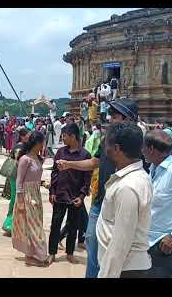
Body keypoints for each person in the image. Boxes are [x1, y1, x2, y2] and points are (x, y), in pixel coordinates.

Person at [56, 98, 140, 278]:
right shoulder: (107, 139)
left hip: (123, 204)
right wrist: (70, 164)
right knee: (92, 242)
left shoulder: (138, 144)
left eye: (115, 116)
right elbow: (95, 162)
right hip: (100, 202)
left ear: (128, 119)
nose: (110, 119)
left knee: (120, 251)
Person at [96, 122, 153, 278]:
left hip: (124, 269)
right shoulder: (132, 178)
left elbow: (121, 242)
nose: (104, 148)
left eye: (105, 143)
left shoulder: (128, 187)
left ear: (116, 149)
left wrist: (106, 275)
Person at [143, 130, 172, 278]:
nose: (142, 151)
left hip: (166, 246)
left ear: (151, 149)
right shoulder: (153, 169)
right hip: (149, 243)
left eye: (144, 148)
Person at [48, 123, 92, 265]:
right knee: (55, 224)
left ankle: (70, 253)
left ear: (73, 136)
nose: (63, 138)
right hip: (60, 194)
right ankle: (52, 253)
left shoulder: (85, 155)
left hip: (75, 197)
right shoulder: (60, 152)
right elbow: (54, 173)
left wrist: (81, 196)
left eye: (64, 136)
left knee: (73, 226)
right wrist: (52, 191)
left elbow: (87, 179)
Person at [12, 131, 50, 267]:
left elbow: (34, 178)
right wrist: (21, 199)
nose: (43, 145)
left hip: (36, 194)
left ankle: (31, 255)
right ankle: (40, 256)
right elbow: (19, 180)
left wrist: (42, 183)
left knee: (34, 225)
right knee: (34, 227)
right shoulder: (25, 159)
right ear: (37, 143)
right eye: (42, 143)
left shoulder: (38, 158)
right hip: (27, 196)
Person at [2, 128, 30, 237]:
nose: (30, 137)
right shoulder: (20, 147)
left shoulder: (23, 146)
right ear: (23, 136)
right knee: (15, 199)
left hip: (18, 177)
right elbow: (19, 162)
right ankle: (9, 223)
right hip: (16, 177)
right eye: (28, 135)